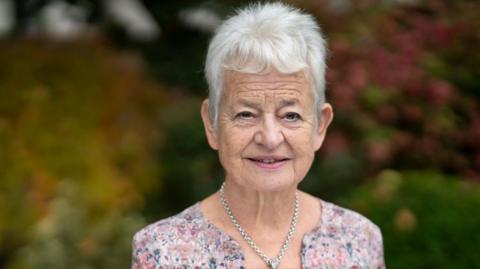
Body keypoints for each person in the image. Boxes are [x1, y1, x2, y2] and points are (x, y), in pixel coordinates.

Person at [131, 2, 385, 268]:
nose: (270, 138)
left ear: (320, 126)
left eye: (290, 115)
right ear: (212, 123)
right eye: (246, 114)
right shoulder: (162, 251)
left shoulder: (359, 240)